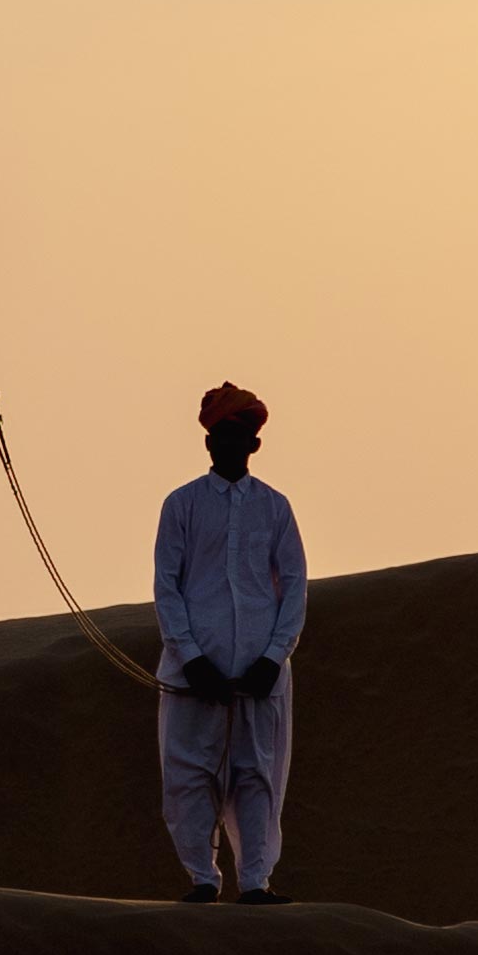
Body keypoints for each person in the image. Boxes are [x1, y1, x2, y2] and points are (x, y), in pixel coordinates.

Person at [153, 382, 307, 906]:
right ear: (208, 442)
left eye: (238, 435)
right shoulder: (181, 506)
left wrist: (273, 656)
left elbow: (294, 586)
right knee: (190, 778)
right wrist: (191, 658)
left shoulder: (275, 508)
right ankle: (201, 878)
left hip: (259, 679)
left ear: (254, 444)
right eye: (221, 434)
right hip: (194, 678)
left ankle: (256, 882)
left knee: (258, 776)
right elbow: (166, 588)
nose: (228, 444)